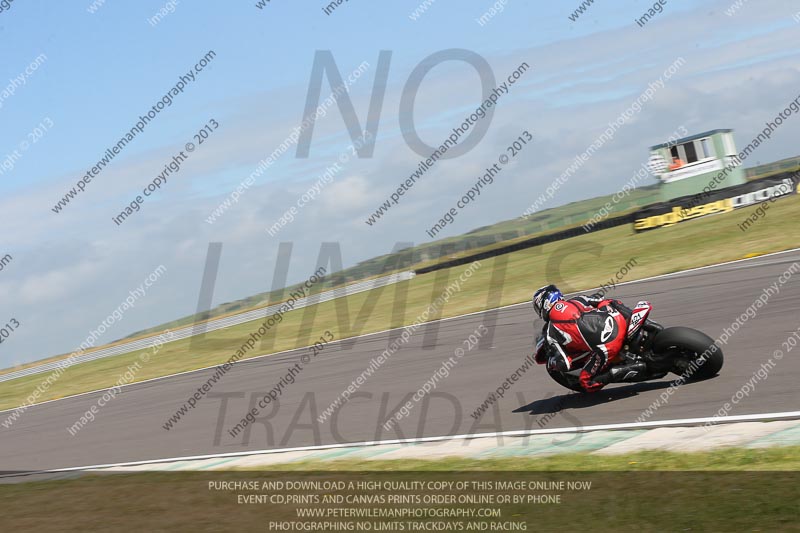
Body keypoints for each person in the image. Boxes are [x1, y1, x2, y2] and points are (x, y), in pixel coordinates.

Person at [532, 284, 645, 392]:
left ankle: (633, 368)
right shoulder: (577, 299)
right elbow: (599, 298)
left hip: (608, 345)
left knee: (586, 381)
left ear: (544, 304)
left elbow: (565, 363)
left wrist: (552, 361)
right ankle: (633, 319)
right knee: (607, 302)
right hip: (618, 320)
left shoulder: (550, 331)